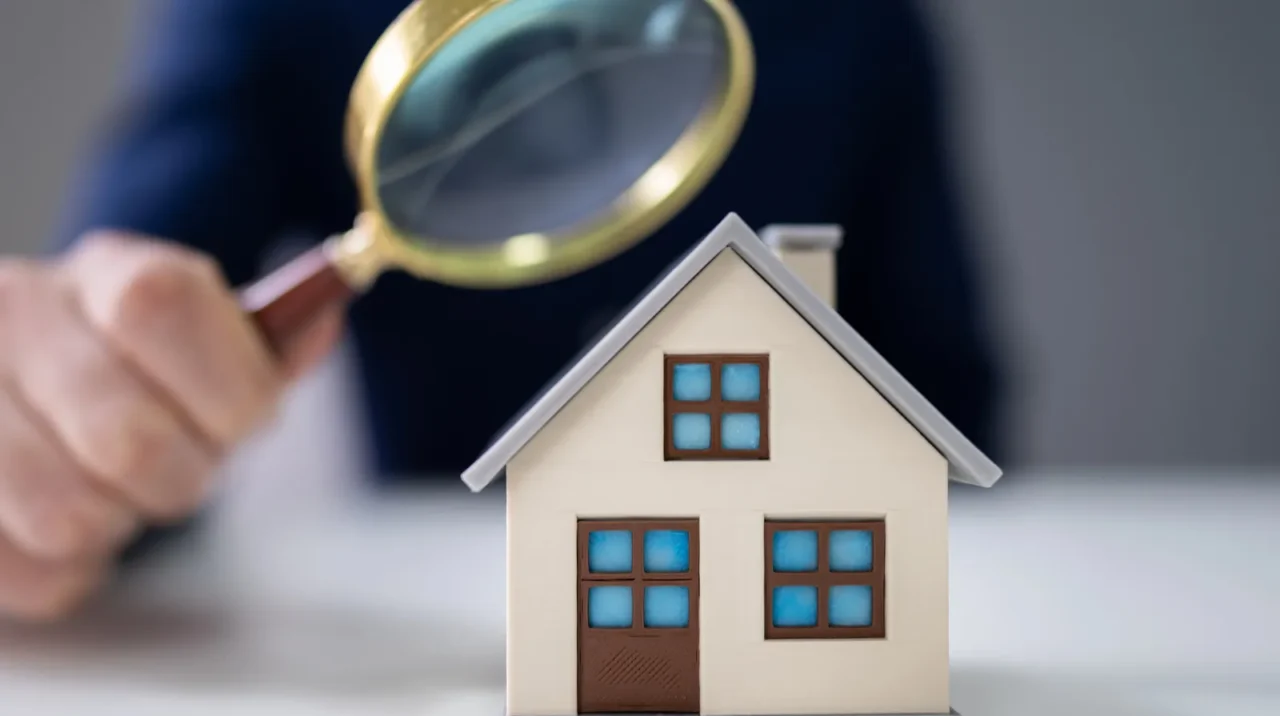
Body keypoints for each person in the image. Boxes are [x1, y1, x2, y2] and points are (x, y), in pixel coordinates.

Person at [0, 0, 1003, 621]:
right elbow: (131, 335)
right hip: (434, 626)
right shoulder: (271, 14)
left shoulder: (856, 23)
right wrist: (61, 419)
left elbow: (938, 416)